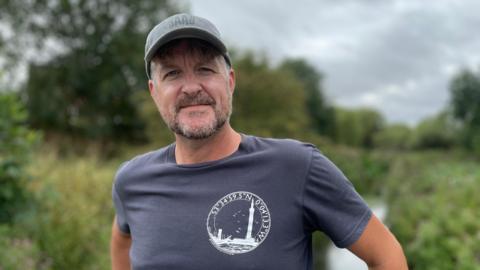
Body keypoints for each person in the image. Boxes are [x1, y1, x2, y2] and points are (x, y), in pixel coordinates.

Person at [110, 13, 408, 270]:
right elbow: (123, 241)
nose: (191, 87)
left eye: (205, 69)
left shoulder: (297, 166)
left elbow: (387, 256)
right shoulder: (132, 181)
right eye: (172, 74)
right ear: (154, 91)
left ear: (230, 81)